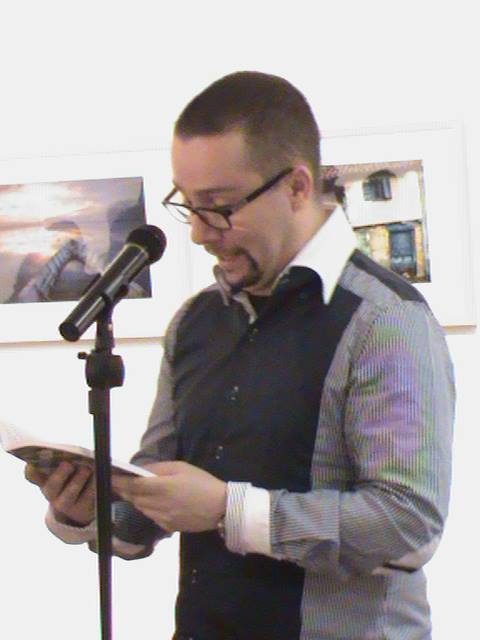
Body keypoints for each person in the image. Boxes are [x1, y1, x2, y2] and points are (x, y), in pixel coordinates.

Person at [25, 71, 455, 640]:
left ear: (297, 187)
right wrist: (88, 509)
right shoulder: (194, 322)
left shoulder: (386, 320)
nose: (199, 234)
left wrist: (227, 510)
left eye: (219, 206)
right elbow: (155, 499)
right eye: (188, 205)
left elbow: (407, 524)